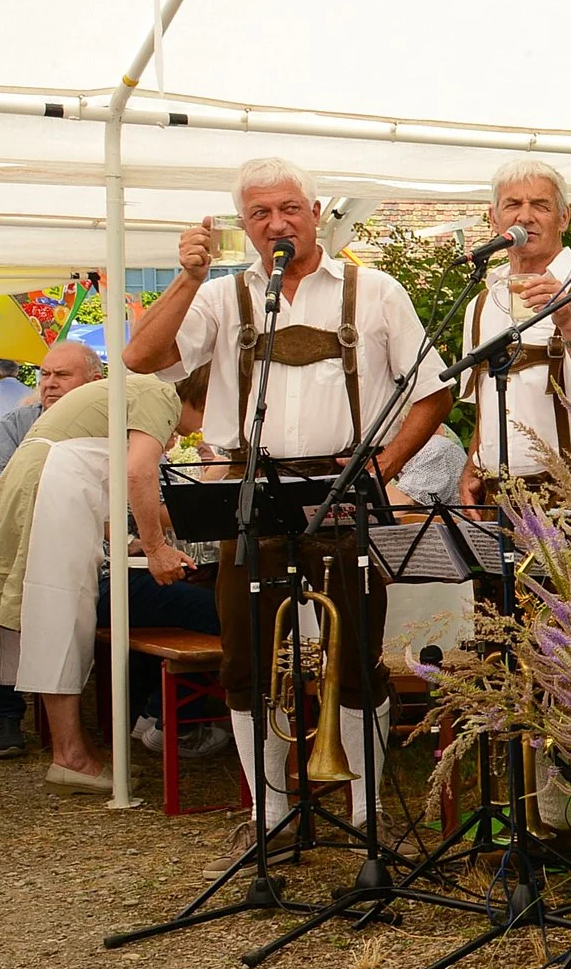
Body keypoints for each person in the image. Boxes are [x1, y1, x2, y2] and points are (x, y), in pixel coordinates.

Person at [126, 156, 454, 857]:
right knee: (246, 658)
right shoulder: (220, 299)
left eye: (290, 209)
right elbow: (140, 357)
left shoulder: (375, 292)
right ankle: (270, 815)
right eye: (260, 214)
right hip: (248, 493)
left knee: (357, 653)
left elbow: (433, 389)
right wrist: (188, 278)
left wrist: (384, 464)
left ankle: (367, 813)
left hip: (342, 496)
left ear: (315, 213)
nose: (277, 224)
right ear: (243, 226)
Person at [0, 369, 199, 788]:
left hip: (45, 483)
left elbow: (101, 482)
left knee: (59, 616)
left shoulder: (132, 391)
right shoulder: (160, 394)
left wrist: (136, 543)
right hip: (52, 486)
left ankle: (72, 750)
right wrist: (158, 546)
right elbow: (137, 474)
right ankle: (69, 754)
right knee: (60, 617)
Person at [455, 158, 571, 503]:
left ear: (564, 218)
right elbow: (489, 407)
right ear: (494, 219)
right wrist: (471, 468)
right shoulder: (480, 304)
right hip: (500, 500)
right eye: (512, 205)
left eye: (540, 205)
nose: (525, 216)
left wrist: (569, 320)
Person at [0, 343, 100, 759]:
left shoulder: (108, 424)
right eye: (45, 375)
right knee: (6, 601)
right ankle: (4, 713)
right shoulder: (19, 423)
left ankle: (140, 714)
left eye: (61, 375)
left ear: (94, 382)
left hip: (99, 548)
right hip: (29, 542)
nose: (48, 384)